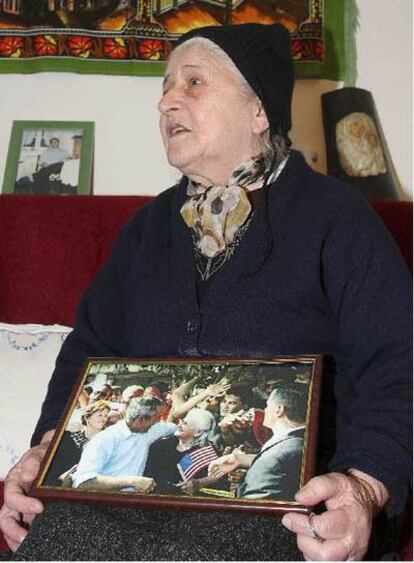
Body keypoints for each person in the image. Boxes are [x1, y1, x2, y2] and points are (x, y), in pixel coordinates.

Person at [0, 23, 411, 561]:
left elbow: (398, 362)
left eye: (193, 82)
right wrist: (44, 450)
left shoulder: (337, 219)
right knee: (56, 538)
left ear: (258, 111)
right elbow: (87, 352)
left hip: (282, 506)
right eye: (166, 87)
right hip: (128, 499)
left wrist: (363, 487)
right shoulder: (145, 231)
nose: (167, 101)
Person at [208, 384, 307, 500]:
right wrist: (238, 459)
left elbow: (254, 508)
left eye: (267, 405)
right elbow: (282, 462)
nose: (264, 410)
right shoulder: (300, 441)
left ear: (278, 410)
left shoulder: (275, 457)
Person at [71, 396, 176, 492]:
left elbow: (174, 429)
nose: (158, 421)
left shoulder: (151, 429)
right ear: (141, 419)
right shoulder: (106, 439)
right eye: (157, 417)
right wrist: (131, 482)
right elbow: (82, 482)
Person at [144, 407, 220, 495]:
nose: (179, 425)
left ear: (198, 432)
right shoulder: (160, 446)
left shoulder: (208, 453)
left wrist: (199, 483)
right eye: (181, 421)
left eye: (185, 423)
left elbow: (216, 481)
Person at [44, 400, 111, 487]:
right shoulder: (67, 437)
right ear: (87, 417)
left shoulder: (105, 443)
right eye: (100, 415)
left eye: (106, 416)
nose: (103, 419)